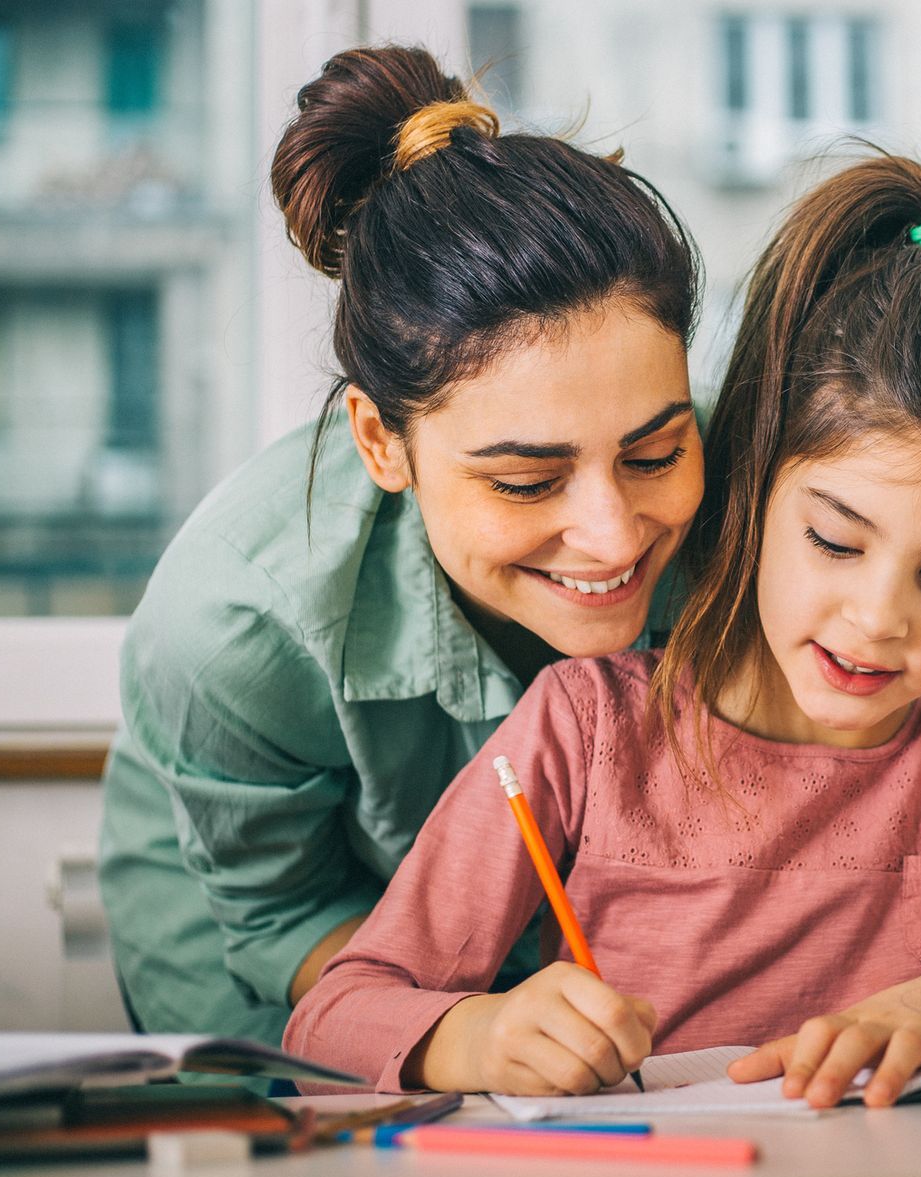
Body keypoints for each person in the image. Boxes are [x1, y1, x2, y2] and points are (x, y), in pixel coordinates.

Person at [287, 155, 921, 1106]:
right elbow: (334, 1012)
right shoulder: (587, 729)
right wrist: (478, 1034)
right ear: (751, 494)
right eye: (836, 542)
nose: (879, 617)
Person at [98, 45, 705, 1052]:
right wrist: (459, 1031)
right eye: (525, 480)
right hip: (278, 941)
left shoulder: (759, 511)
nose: (612, 533)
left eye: (653, 452)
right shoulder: (234, 622)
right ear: (382, 441)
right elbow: (279, 913)